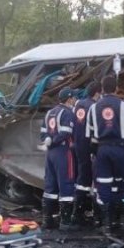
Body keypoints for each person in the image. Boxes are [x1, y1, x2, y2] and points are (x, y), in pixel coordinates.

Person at [86, 75, 124, 236]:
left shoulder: (93, 108)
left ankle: (106, 224)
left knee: (103, 185)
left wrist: (94, 152)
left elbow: (89, 135)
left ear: (102, 88)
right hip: (121, 150)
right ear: (116, 87)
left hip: (102, 151)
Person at [40, 88, 79, 231]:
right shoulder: (67, 113)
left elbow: (43, 134)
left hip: (50, 153)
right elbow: (66, 133)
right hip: (63, 152)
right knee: (66, 184)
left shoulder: (49, 113)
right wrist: (55, 140)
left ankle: (47, 220)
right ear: (69, 99)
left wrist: (48, 141)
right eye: (74, 98)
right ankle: (66, 223)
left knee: (50, 185)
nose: (75, 100)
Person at [71, 80, 102, 226]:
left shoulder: (78, 104)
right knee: (93, 179)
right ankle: (96, 215)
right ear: (97, 93)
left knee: (82, 177)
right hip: (90, 146)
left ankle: (78, 212)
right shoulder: (94, 106)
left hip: (78, 144)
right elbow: (96, 128)